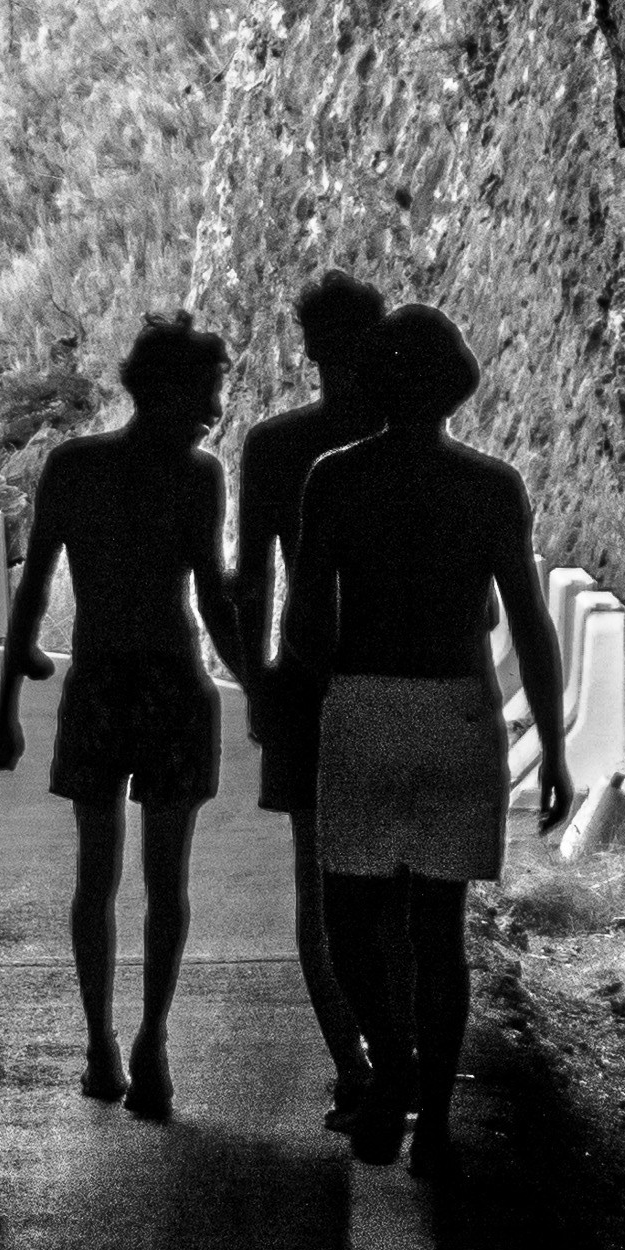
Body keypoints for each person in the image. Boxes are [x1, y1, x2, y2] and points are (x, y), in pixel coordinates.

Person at [285, 305, 570, 1175]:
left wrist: (303, 701)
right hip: (457, 712)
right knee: (438, 926)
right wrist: (552, 746)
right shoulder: (493, 485)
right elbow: (529, 623)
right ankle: (436, 1123)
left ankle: (390, 1066)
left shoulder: (332, 479)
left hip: (366, 705)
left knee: (348, 914)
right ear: (455, 382)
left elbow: (303, 624)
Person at [0, 314, 243, 1118]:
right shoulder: (189, 476)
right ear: (163, 389)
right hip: (165, 684)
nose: (212, 408)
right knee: (154, 880)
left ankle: (121, 1039)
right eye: (204, 391)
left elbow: (34, 589)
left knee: (108, 876)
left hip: (105, 683)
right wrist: (255, 686)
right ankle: (134, 1040)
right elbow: (209, 595)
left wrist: (6, 703)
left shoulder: (78, 466)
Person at [231, 271, 389, 1131]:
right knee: (395, 883)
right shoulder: (400, 439)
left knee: (319, 889)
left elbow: (253, 579)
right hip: (394, 675)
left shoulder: (274, 445)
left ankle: (354, 1066)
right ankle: (392, 1057)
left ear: (307, 346)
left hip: (305, 679)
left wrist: (256, 683)